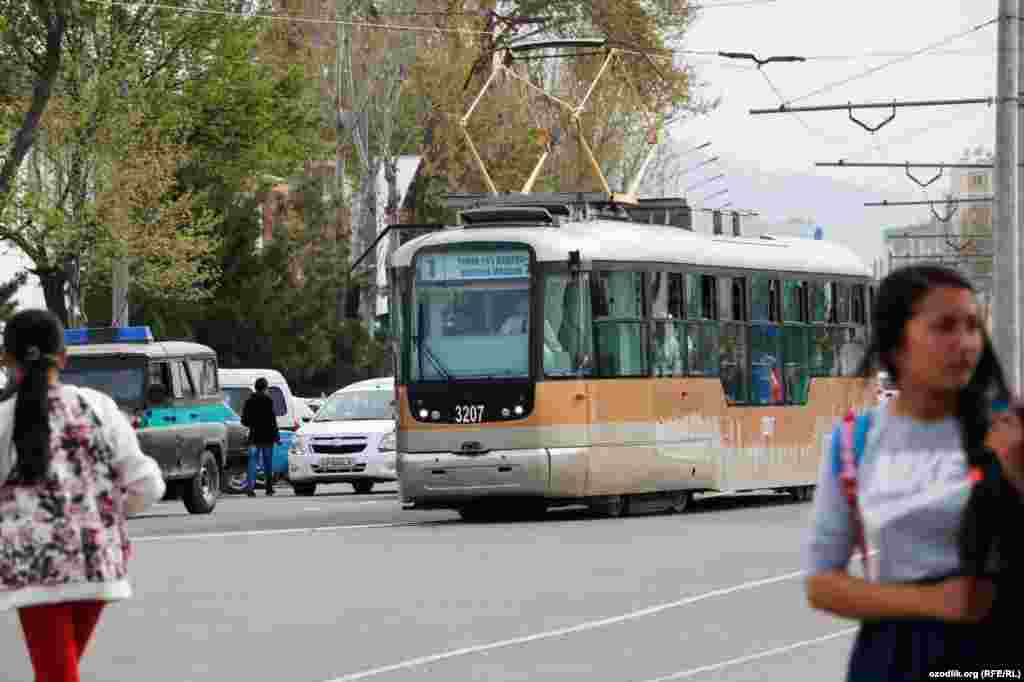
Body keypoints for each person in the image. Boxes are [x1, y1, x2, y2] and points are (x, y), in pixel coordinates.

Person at [804, 264, 1015, 679]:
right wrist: (932, 602)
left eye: (973, 326)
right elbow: (822, 582)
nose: (966, 343)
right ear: (895, 342)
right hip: (895, 659)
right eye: (945, 326)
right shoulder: (855, 440)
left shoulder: (1010, 430)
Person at [0, 309, 165, 682]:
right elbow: (148, 485)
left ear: (6, 359)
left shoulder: (4, 418)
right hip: (98, 559)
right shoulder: (99, 407)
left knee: (56, 674)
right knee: (59, 673)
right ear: (64, 357)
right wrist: (107, 516)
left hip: (34, 567)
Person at [241, 377, 280, 497]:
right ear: (265, 388)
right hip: (267, 437)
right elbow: (272, 420)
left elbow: (244, 421)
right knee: (267, 463)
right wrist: (276, 437)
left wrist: (252, 424)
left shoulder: (249, 401)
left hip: (254, 437)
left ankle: (250, 488)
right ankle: (268, 488)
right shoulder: (268, 400)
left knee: (252, 463)